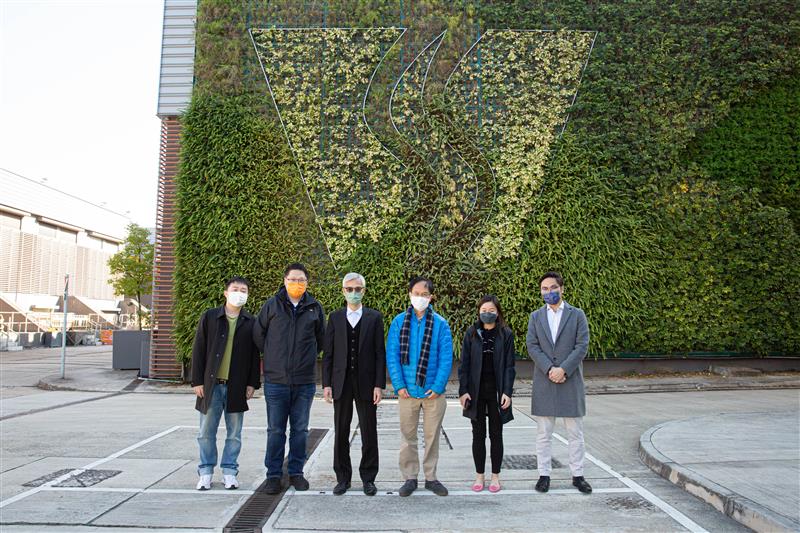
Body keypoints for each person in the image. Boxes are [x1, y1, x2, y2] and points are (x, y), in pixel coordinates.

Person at [253, 263, 325, 494]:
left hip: (304, 381)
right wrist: (274, 356)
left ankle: (296, 473)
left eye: (301, 280)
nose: (297, 284)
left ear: (307, 283)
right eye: (292, 279)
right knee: (275, 430)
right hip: (276, 381)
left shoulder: (314, 308)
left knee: (300, 429)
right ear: (284, 281)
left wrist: (308, 357)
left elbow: (321, 339)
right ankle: (273, 475)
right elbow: (258, 334)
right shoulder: (272, 306)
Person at [191, 276, 261, 491]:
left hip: (236, 386)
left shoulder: (250, 322)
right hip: (211, 385)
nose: (239, 293)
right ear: (226, 293)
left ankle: (230, 472)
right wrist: (197, 380)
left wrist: (252, 384)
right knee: (205, 432)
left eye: (243, 290)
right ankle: (206, 472)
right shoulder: (211, 317)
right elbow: (199, 349)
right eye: (235, 289)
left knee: (234, 434)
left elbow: (254, 356)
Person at [386, 276, 453, 497]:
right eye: (416, 293)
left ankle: (431, 478)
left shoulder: (441, 324)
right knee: (408, 436)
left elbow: (445, 358)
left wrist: (438, 386)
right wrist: (398, 385)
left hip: (433, 392)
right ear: (409, 295)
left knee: (432, 437)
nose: (420, 298)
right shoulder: (398, 322)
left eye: (424, 294)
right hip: (407, 392)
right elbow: (392, 356)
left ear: (431, 297)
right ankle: (410, 477)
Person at [526, 271, 592, 494]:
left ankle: (578, 475)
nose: (549, 292)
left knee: (575, 433)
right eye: (544, 289)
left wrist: (563, 369)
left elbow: (582, 345)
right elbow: (532, 346)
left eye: (553, 288)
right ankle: (544, 474)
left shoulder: (577, 315)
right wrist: (549, 369)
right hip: (545, 381)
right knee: (544, 433)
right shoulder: (535, 317)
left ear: (562, 289)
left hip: (570, 380)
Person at [322, 272, 386, 496]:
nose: (354, 293)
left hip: (367, 382)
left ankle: (369, 478)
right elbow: (328, 353)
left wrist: (379, 384)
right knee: (341, 430)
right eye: (349, 289)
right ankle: (342, 477)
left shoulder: (374, 318)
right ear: (343, 291)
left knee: (369, 430)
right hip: (340, 382)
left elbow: (380, 353)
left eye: (358, 289)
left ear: (364, 291)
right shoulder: (335, 317)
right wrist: (326, 384)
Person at [458, 294, 516, 493]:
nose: (487, 314)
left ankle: (495, 477)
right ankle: (479, 475)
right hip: (476, 393)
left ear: (498, 312)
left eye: (491, 311)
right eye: (483, 311)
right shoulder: (472, 333)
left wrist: (507, 391)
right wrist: (463, 391)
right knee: (478, 435)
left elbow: (509, 366)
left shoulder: (506, 334)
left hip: (497, 392)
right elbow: (464, 365)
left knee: (496, 435)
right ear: (478, 312)